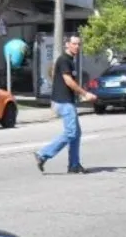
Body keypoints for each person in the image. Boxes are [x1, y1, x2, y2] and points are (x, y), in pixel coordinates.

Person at [35, 34, 95, 174]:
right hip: (63, 102)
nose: (77, 47)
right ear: (67, 44)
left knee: (76, 133)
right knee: (71, 132)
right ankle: (42, 154)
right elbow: (68, 81)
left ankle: (74, 165)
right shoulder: (64, 60)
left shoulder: (70, 60)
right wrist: (84, 93)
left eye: (79, 44)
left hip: (67, 100)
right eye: (74, 44)